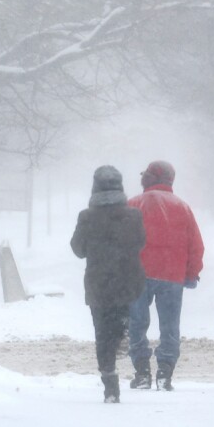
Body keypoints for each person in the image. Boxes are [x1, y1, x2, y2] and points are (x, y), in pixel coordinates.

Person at [126, 159, 204, 391]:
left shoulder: (133, 204)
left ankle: (142, 373)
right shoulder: (183, 207)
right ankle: (165, 373)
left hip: (137, 274)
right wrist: (191, 273)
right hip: (172, 275)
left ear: (149, 178)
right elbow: (196, 245)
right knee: (170, 326)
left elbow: (120, 242)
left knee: (137, 324)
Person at [69, 165, 145, 403]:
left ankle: (109, 381)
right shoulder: (133, 216)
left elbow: (78, 249)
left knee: (102, 333)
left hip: (99, 284)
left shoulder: (87, 217)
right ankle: (121, 337)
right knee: (120, 323)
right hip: (126, 282)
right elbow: (141, 243)